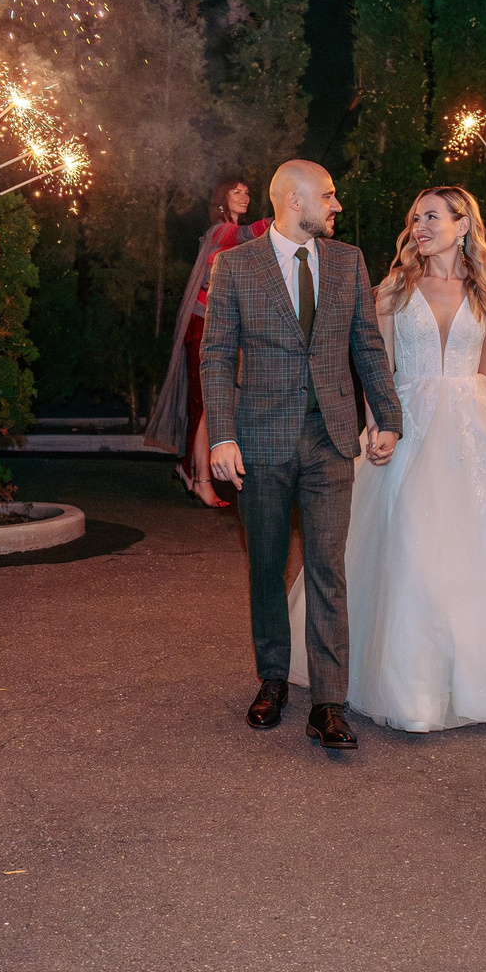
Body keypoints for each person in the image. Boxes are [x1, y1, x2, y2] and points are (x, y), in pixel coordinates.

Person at [286, 186, 486, 729]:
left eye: (432, 216)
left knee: (472, 556)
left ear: (462, 223)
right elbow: (372, 362)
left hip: (472, 428)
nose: (419, 225)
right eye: (415, 217)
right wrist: (373, 423)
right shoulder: (393, 289)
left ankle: (479, 674)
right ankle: (413, 690)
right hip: (406, 428)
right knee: (414, 553)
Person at [202, 160, 402, 753]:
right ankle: (271, 680)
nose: (337, 206)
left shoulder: (348, 263)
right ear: (294, 200)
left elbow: (366, 344)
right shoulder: (235, 266)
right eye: (329, 196)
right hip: (259, 442)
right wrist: (221, 436)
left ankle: (328, 702)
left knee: (327, 569)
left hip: (330, 439)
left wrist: (385, 418)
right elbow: (216, 356)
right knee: (267, 567)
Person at [147, 179, 258, 507]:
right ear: (222, 198)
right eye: (237, 192)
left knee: (215, 402)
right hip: (203, 326)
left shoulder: (232, 239)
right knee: (206, 403)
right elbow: (249, 233)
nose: (245, 197)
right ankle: (200, 481)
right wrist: (287, 212)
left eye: (247, 192)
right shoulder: (222, 231)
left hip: (224, 329)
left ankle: (190, 470)